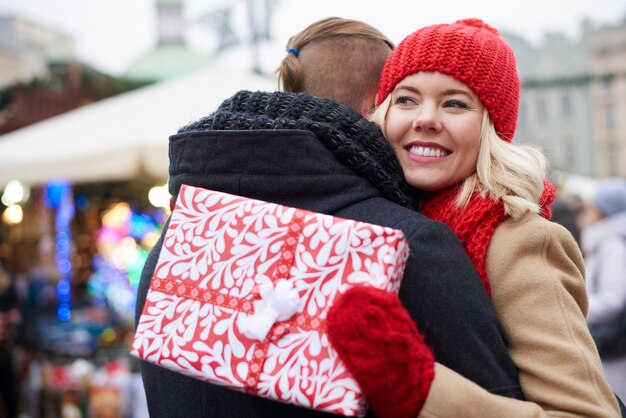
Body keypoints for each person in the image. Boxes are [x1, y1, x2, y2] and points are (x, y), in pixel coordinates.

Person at [135, 17, 525, 418]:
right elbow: (499, 401)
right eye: (405, 99)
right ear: (380, 107)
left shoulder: (176, 245)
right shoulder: (408, 246)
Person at [337, 17, 622, 417]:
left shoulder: (518, 239)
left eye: (454, 103)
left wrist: (422, 389)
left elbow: (585, 412)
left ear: (491, 128)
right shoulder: (373, 217)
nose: (426, 118)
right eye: (406, 99)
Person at [579, 178, 626, 402]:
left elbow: (613, 300)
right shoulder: (607, 242)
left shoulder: (613, 246)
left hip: (613, 346)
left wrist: (575, 306)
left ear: (604, 212)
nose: (585, 214)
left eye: (591, 209)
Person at [0, 261, 22, 418]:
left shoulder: (6, 270)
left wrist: (12, 316)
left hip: (6, 347)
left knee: (10, 392)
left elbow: (19, 306)